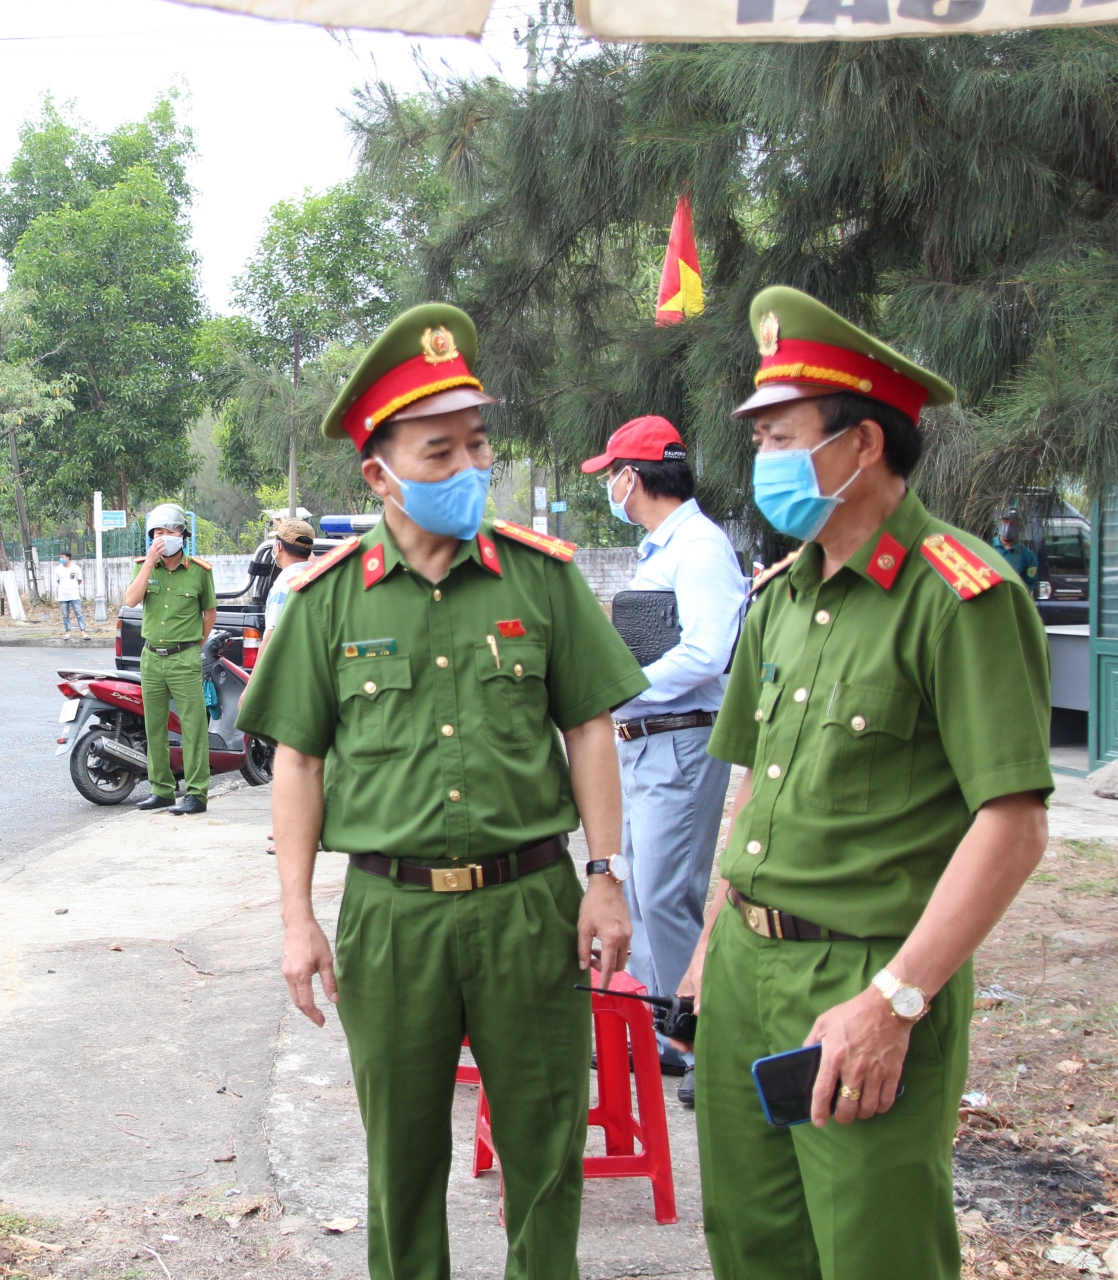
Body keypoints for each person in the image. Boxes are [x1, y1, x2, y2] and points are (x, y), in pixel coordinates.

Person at [237, 303, 647, 1280]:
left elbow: (589, 726)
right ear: (379, 474)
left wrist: (604, 875)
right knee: (403, 1158)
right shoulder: (328, 598)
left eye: (477, 444)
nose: (470, 466)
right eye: (439, 451)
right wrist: (297, 919)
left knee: (546, 1150)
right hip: (392, 917)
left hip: (530, 904)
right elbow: (298, 763)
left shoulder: (539, 579)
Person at [677, 287, 1052, 1280]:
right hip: (745, 969)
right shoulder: (781, 598)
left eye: (781, 437)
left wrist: (896, 999)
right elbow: (755, 783)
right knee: (752, 1245)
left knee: (874, 1250)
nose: (762, 460)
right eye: (758, 438)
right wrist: (711, 943)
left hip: (865, 976)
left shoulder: (957, 595)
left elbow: (1012, 825)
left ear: (864, 443)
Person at [581, 415, 748, 1101]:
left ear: (632, 476)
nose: (609, 490)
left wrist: (622, 688)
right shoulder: (663, 548)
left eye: (610, 476)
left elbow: (708, 652)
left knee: (668, 895)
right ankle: (658, 1033)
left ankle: (692, 1040)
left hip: (680, 737)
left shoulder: (699, 548)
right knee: (643, 891)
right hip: (647, 739)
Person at [122, 504, 218, 816]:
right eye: (157, 533)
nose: (163, 538)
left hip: (184, 658)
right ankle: (161, 790)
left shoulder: (200, 572)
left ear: (182, 535)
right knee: (154, 727)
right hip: (151, 658)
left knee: (193, 726)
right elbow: (131, 600)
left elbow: (210, 613)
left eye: (169, 531)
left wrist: (194, 646)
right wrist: (149, 564)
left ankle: (196, 793)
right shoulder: (144, 568)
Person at [257, 517, 317, 652]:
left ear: (278, 546)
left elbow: (271, 639)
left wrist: (258, 667)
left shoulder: (284, 586)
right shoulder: (318, 577)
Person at [992, 512, 1041, 597]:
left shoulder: (1027, 556)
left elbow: (1028, 586)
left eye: (1013, 523)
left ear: (1020, 528)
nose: (1008, 527)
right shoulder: (985, 545)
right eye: (1005, 522)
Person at [53, 552, 88, 637]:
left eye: (63, 557)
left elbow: (79, 580)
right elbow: (58, 580)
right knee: (65, 614)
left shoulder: (76, 568)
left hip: (74, 595)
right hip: (63, 596)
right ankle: (68, 632)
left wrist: (73, 587)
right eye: (60, 557)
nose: (61, 559)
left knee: (79, 613)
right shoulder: (58, 569)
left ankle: (83, 632)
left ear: (68, 557)